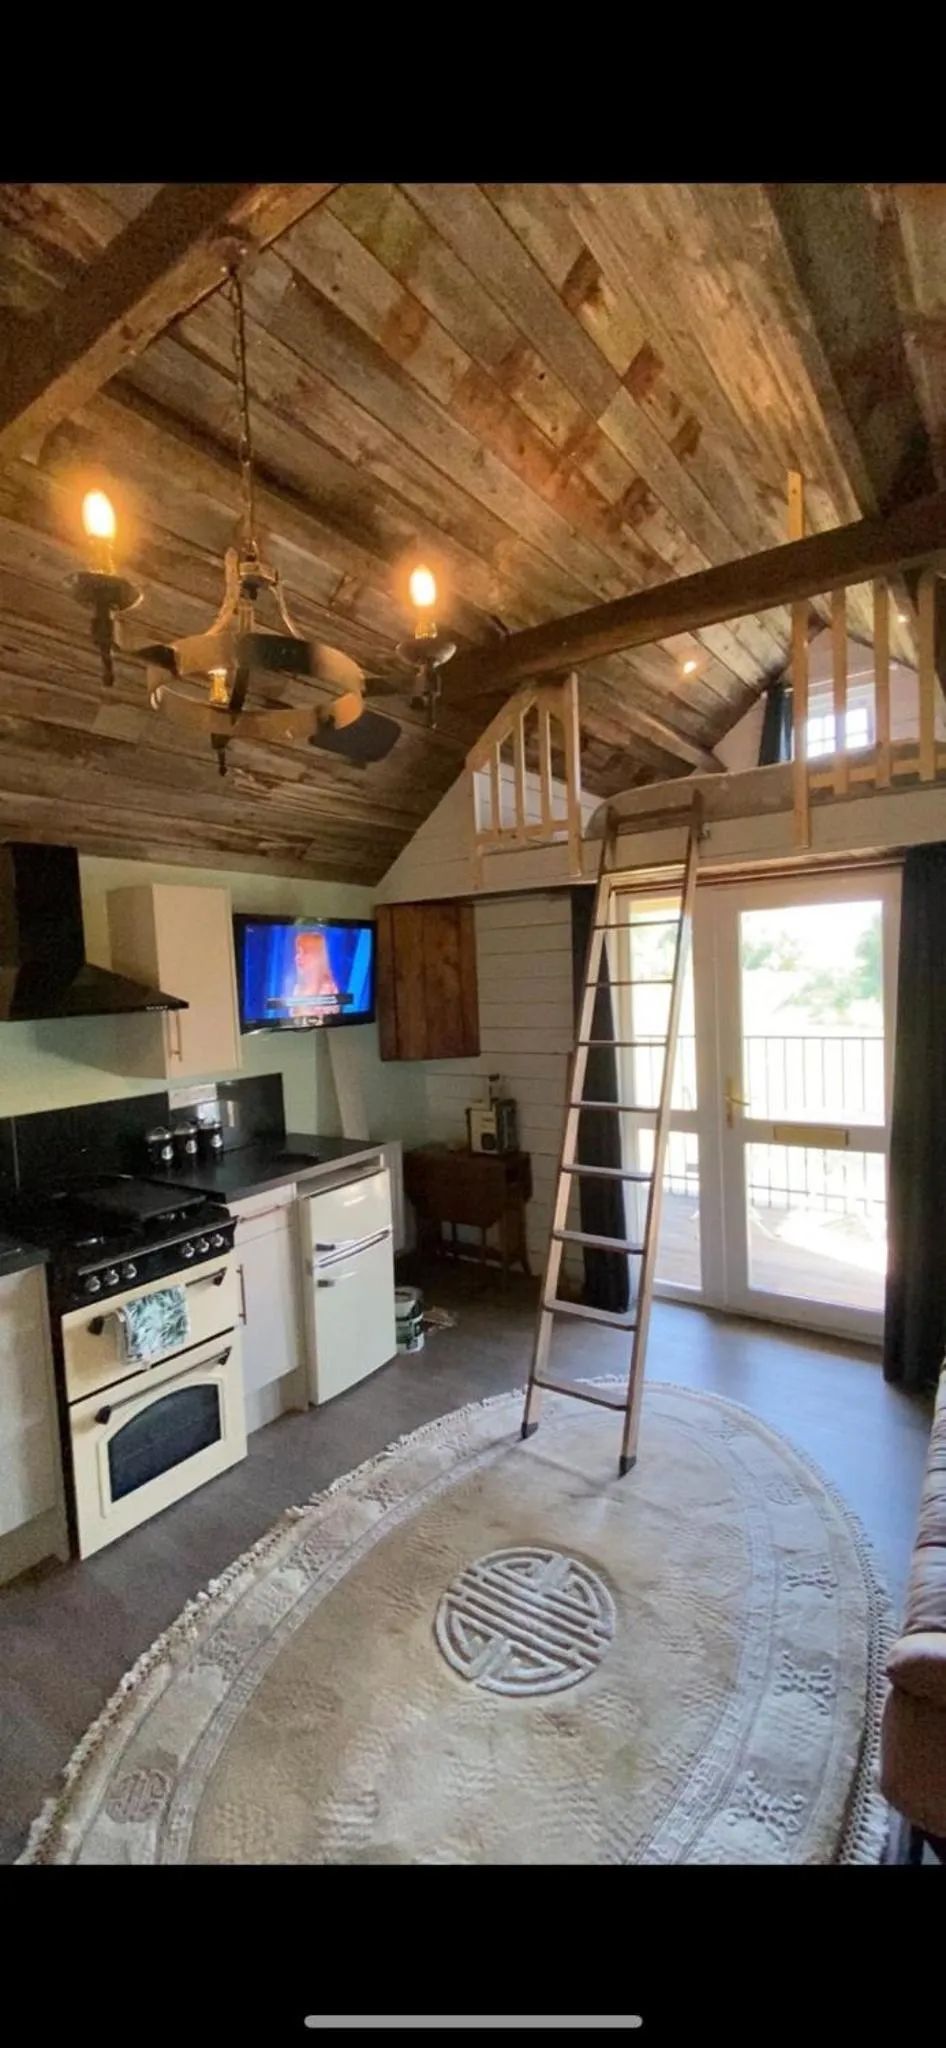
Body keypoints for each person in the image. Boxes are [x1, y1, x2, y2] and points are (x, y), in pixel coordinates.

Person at [291, 929, 340, 1013]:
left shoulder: (329, 989)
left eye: (305, 953)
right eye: (298, 952)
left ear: (317, 957)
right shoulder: (298, 987)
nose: (298, 957)